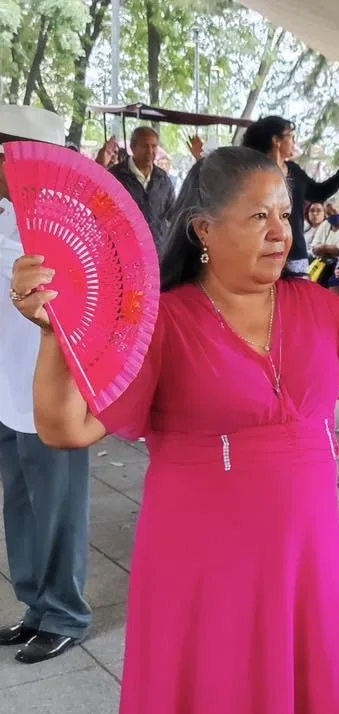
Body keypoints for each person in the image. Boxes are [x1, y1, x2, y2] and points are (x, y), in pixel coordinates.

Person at [11, 146, 339, 713]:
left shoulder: (314, 306)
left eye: (284, 214)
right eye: (260, 216)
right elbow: (68, 429)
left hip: (306, 558)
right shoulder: (163, 320)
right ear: (204, 229)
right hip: (202, 560)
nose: (280, 232)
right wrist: (51, 335)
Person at [0, 104, 92, 665]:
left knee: (58, 505)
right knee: (21, 505)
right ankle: (35, 605)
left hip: (50, 392)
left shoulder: (63, 224)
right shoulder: (3, 215)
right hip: (5, 387)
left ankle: (65, 614)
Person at [242, 115, 339, 275]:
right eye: (291, 136)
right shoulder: (252, 175)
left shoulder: (294, 170)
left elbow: (319, 193)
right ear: (276, 140)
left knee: (297, 299)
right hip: (263, 252)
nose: (294, 141)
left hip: (296, 254)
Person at [109, 127, 176, 252]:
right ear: (133, 147)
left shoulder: (163, 179)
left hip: (156, 253)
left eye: (154, 146)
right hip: (124, 253)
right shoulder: (115, 176)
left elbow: (173, 214)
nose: (150, 151)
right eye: (145, 146)